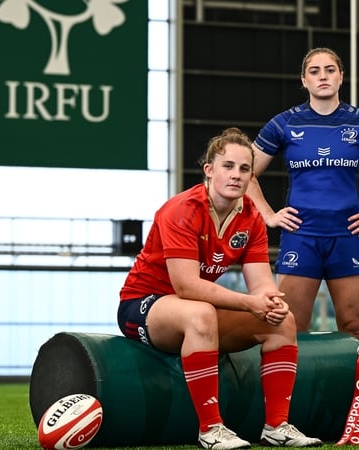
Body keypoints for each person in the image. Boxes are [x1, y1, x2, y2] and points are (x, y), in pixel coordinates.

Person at [118, 128, 323, 449]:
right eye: (228, 166)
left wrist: (272, 301)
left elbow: (261, 284)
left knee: (283, 320)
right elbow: (186, 286)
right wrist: (248, 303)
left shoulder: (252, 217)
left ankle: (276, 426)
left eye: (244, 169)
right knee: (200, 314)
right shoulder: (181, 209)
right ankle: (211, 429)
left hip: (196, 309)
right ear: (209, 170)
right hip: (143, 306)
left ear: (251, 176)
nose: (236, 175)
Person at [248, 47, 359, 342]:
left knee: (354, 328)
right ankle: (296, 391)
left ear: (341, 77)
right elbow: (245, 172)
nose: (322, 76)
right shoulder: (285, 123)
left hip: (347, 236)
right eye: (314, 71)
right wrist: (268, 215)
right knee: (290, 326)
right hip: (301, 235)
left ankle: (355, 390)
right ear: (304, 80)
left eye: (330, 70)